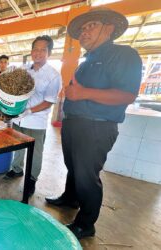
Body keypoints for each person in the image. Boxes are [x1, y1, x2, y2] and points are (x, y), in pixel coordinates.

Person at [45, 8, 142, 239]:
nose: (84, 31)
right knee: (73, 167)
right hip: (74, 124)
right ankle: (70, 198)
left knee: (87, 176)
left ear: (109, 28)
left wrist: (83, 93)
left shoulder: (124, 55)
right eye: (83, 28)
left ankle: (86, 224)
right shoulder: (86, 61)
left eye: (92, 25)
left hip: (96, 127)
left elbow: (128, 95)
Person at [4, 36, 62, 196]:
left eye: (43, 50)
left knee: (35, 153)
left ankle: (32, 179)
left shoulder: (53, 76)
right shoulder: (24, 70)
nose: (38, 53)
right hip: (19, 119)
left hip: (36, 122)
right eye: (35, 49)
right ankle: (17, 169)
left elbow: (49, 101)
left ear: (49, 52)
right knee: (18, 148)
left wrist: (29, 111)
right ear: (31, 51)